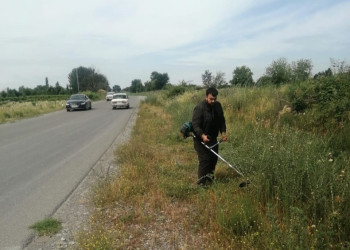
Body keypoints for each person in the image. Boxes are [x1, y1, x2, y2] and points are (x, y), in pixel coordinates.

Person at [192, 87, 227, 187]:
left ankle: (210, 178)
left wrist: (223, 133)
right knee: (205, 160)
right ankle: (201, 184)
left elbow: (222, 121)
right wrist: (202, 136)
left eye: (215, 99)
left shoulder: (218, 106)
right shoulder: (199, 108)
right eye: (211, 99)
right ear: (206, 97)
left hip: (212, 138)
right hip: (200, 139)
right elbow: (195, 125)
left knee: (213, 159)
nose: (213, 101)